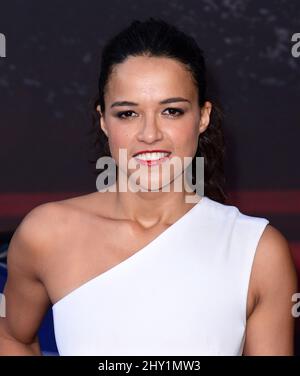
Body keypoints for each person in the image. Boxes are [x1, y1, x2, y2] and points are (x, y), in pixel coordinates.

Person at [0, 18, 297, 356]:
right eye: (128, 113)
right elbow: (10, 337)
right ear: (103, 120)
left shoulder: (258, 252)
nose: (150, 134)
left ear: (202, 116)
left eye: (172, 111)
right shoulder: (47, 233)